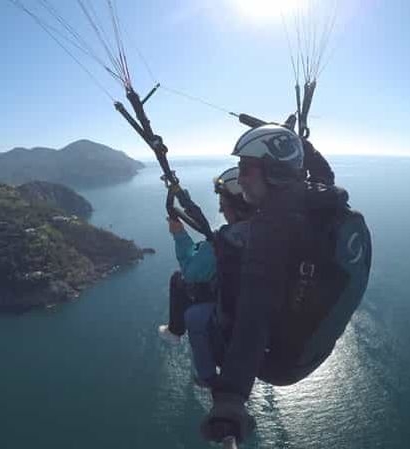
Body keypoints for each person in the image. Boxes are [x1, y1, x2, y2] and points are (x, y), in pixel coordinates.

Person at [199, 124, 371, 444]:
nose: (240, 178)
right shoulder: (322, 201)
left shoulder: (269, 230)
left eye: (246, 169)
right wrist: (298, 144)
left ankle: (204, 370)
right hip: (315, 350)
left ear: (274, 172)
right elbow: (323, 172)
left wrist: (231, 397)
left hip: (280, 365)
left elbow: (253, 318)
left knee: (197, 305)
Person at [158, 167, 254, 386]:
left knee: (188, 301)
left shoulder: (227, 241)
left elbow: (191, 272)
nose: (221, 210)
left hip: (235, 312)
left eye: (223, 205)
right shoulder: (272, 229)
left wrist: (179, 235)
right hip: (263, 305)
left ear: (236, 207)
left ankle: (181, 341)